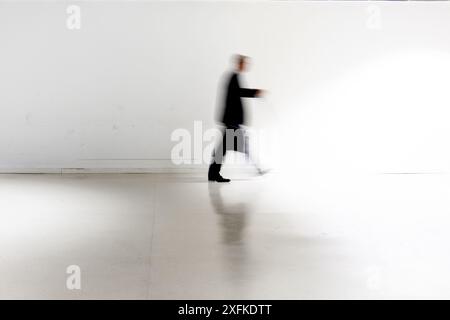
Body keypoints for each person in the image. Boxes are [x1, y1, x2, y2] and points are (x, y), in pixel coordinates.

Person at [208, 55, 265, 183]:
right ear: (239, 64)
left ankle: (213, 174)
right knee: (231, 147)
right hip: (231, 120)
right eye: (244, 64)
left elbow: (237, 94)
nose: (246, 66)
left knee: (225, 148)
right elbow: (239, 93)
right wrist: (255, 92)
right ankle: (257, 169)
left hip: (231, 120)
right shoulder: (233, 77)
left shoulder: (234, 77)